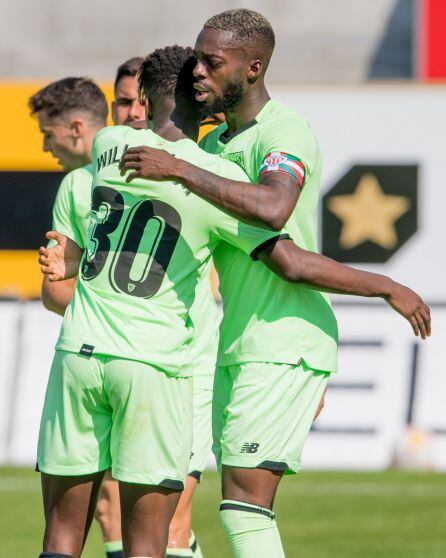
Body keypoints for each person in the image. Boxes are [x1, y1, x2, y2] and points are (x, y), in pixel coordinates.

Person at [118, 10, 431, 558]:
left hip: (281, 343)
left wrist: (385, 286)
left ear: (253, 67)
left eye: (212, 63)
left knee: (244, 507)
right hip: (237, 345)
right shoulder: (214, 150)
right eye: (196, 60)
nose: (199, 72)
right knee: (215, 498)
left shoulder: (283, 129)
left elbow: (275, 209)